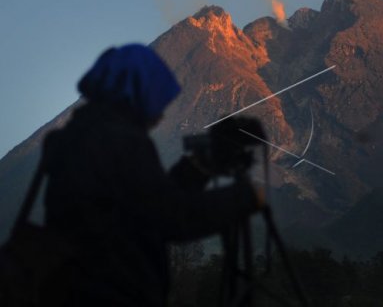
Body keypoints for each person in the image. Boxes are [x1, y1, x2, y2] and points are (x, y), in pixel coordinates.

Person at [40, 44, 261, 306]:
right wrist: (245, 197)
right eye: (157, 101)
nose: (160, 115)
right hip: (111, 294)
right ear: (138, 93)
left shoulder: (76, 137)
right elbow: (171, 218)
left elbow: (140, 207)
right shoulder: (122, 142)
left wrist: (196, 169)